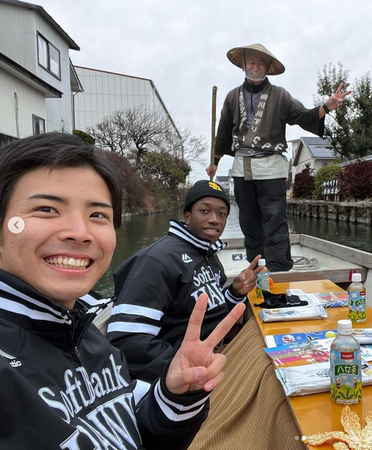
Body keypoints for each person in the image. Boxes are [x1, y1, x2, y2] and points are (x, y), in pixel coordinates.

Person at [0, 133, 245, 449]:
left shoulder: (87, 334)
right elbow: (132, 340)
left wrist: (176, 392)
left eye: (97, 215)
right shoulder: (157, 261)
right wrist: (170, 364)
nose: (79, 232)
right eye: (46, 209)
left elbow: (128, 426)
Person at [207, 43, 350, 272]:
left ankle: (280, 271)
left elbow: (303, 116)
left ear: (267, 67)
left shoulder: (280, 95)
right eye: (251, 62)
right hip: (241, 168)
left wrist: (327, 106)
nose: (255, 67)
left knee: (275, 223)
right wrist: (214, 162)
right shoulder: (232, 97)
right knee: (249, 223)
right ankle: (256, 269)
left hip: (271, 167)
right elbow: (223, 133)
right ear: (243, 65)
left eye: (260, 63)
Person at [107, 180, 261, 382]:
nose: (215, 219)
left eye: (221, 214)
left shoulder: (206, 253)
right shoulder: (156, 261)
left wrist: (235, 292)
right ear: (187, 216)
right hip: (184, 372)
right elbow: (127, 342)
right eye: (205, 211)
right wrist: (186, 370)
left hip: (215, 350)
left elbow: (210, 311)